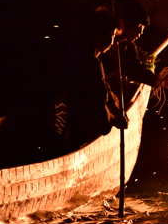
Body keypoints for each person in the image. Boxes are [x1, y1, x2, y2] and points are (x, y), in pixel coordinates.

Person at [52, 10, 128, 151]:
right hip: (70, 134)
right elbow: (99, 111)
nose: (112, 42)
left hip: (57, 126)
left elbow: (101, 89)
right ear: (99, 35)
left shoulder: (72, 54)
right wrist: (115, 120)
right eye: (111, 35)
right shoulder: (91, 64)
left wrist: (112, 102)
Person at [96, 0, 168, 106]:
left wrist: (157, 80)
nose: (140, 32)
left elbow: (134, 69)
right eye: (138, 26)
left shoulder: (126, 46)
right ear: (125, 22)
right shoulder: (100, 38)